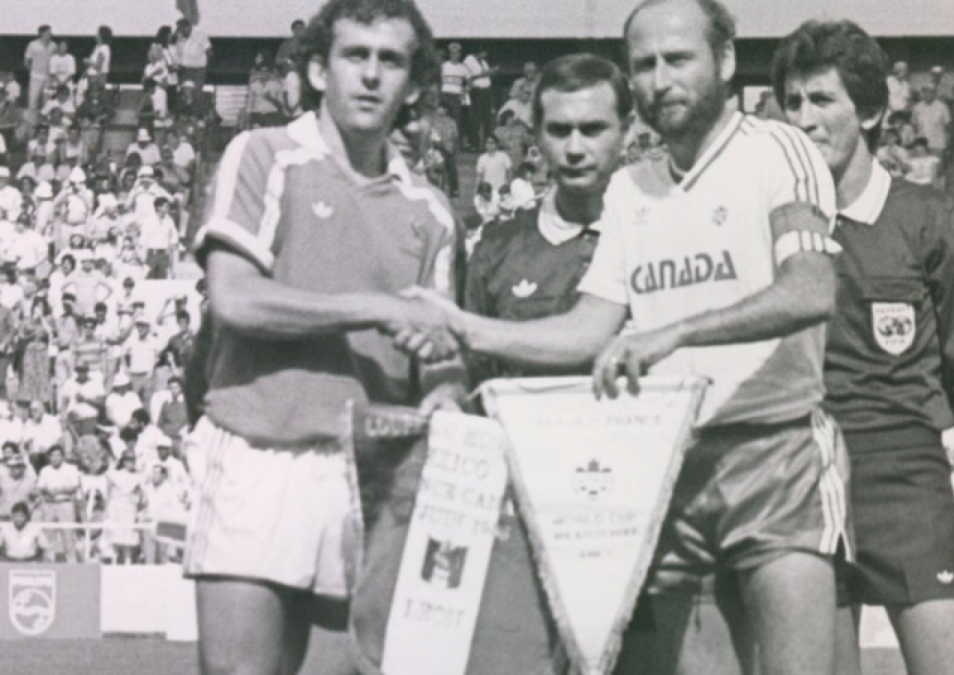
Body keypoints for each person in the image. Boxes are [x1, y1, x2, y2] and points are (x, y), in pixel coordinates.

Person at [407, 2, 846, 674]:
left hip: (777, 456)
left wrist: (673, 332)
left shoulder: (780, 150)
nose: (661, 79)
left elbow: (812, 289)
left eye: (679, 59)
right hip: (673, 470)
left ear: (726, 61)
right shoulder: (630, 190)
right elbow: (589, 329)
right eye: (644, 64)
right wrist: (464, 325)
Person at [183, 1, 463, 673]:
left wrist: (446, 392)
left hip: (365, 475)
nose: (370, 75)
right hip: (259, 449)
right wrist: (372, 308)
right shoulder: (265, 154)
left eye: (390, 60)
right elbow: (236, 299)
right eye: (354, 55)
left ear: (414, 85)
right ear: (317, 70)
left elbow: (442, 352)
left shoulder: (431, 211)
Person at [772, 20, 954, 675]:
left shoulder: (930, 217)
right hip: (803, 478)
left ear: (872, 111)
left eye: (822, 100)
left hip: (907, 477)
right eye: (792, 102)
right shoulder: (770, 225)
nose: (804, 118)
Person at [461, 52, 631, 675]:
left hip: (633, 513)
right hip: (523, 516)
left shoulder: (658, 236)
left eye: (594, 128)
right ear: (536, 137)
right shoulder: (499, 246)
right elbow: (472, 388)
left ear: (627, 131)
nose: (576, 147)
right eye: (560, 130)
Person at [24, 25, 54, 112]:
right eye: (48, 32)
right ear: (42, 33)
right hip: (36, 76)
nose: (50, 34)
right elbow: (26, 61)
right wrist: (32, 72)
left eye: (50, 32)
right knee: (33, 100)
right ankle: (31, 119)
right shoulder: (33, 45)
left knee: (48, 101)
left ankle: (46, 119)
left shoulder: (53, 45)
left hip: (49, 78)